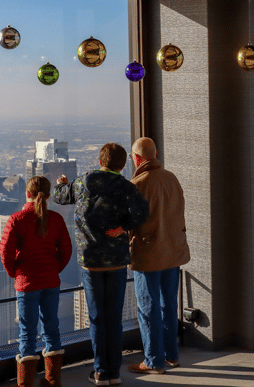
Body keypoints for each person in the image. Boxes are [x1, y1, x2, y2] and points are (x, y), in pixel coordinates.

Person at [53, 143, 149, 386]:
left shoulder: (82, 182)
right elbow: (142, 212)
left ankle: (100, 372)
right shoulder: (125, 187)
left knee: (96, 317)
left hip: (90, 261)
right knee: (114, 317)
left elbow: (60, 196)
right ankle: (114, 372)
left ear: (100, 161)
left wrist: (61, 183)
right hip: (116, 261)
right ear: (123, 165)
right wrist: (122, 228)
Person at [0, 176, 72, 387]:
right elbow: (66, 249)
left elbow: (5, 251)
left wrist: (14, 272)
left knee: (27, 332)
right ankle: (53, 380)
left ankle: (25, 384)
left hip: (27, 282)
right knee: (51, 329)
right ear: (49, 195)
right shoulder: (56, 219)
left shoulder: (17, 219)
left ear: (27, 193)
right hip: (50, 281)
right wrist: (54, 268)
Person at [127, 137, 190, 375]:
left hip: (148, 254)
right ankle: (172, 356)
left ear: (138, 158)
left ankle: (153, 361)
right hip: (172, 252)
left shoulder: (138, 184)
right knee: (168, 305)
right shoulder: (171, 178)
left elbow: (129, 222)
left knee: (148, 308)